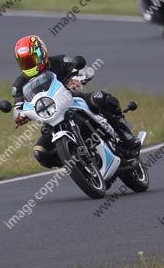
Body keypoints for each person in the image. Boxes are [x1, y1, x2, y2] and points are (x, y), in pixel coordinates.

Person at [12, 35, 141, 168]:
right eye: (25, 62)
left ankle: (125, 134)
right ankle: (79, 167)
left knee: (101, 98)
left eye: (31, 60)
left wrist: (79, 78)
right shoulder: (20, 83)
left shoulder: (59, 61)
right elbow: (18, 105)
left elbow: (84, 69)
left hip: (73, 101)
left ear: (41, 53)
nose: (29, 65)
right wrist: (19, 116)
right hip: (52, 117)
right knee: (40, 152)